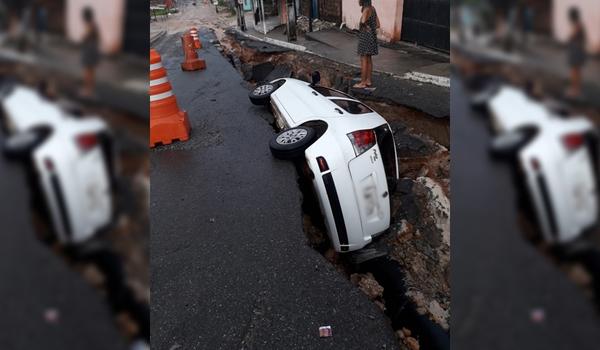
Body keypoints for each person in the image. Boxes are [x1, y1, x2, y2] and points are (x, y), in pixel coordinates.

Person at [354, 0, 379, 89]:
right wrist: (370, 27)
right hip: (372, 36)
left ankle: (363, 82)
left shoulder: (366, 9)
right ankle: (368, 80)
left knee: (363, 59)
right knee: (369, 58)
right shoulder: (373, 8)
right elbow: (378, 25)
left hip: (365, 37)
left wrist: (363, 25)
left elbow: (363, 20)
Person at [566, 6, 586, 98]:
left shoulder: (577, 25)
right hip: (579, 50)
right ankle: (577, 89)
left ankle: (574, 90)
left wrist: (569, 39)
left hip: (576, 51)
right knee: (577, 71)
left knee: (574, 71)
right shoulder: (580, 24)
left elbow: (572, 36)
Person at [80, 6, 100, 97]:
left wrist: (83, 38)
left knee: (88, 70)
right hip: (94, 49)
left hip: (89, 50)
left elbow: (85, 37)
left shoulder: (90, 25)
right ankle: (91, 89)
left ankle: (87, 90)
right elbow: (98, 37)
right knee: (91, 70)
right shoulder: (94, 24)